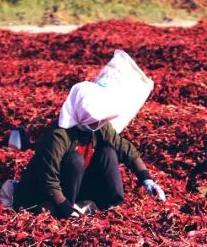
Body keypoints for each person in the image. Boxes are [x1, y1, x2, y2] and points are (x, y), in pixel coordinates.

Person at [14, 81, 166, 219]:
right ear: (82, 115)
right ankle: (68, 208)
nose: (99, 124)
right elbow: (48, 178)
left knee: (108, 152)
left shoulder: (100, 128)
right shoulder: (58, 136)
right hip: (49, 192)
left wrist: (147, 180)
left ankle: (113, 204)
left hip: (79, 185)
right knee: (75, 160)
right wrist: (65, 207)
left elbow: (126, 149)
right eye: (94, 121)